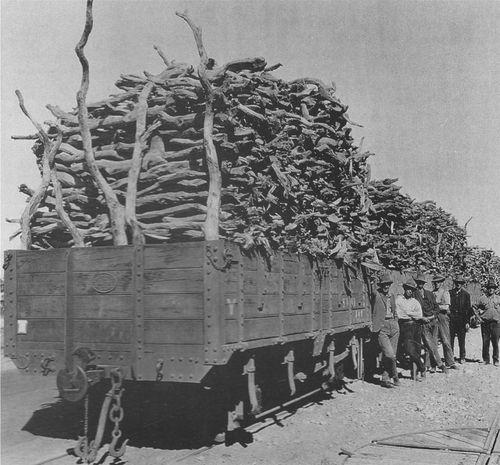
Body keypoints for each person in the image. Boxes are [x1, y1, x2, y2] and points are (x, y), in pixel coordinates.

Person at [413, 273, 448, 374]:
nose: (420, 284)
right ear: (416, 283)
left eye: (422, 283)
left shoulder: (429, 293)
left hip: (433, 321)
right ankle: (440, 364)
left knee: (433, 344)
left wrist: (432, 316)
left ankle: (432, 365)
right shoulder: (414, 294)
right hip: (423, 323)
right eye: (419, 282)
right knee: (430, 344)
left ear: (424, 284)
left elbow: (436, 308)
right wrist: (422, 318)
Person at [371, 274, 400, 388]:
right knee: (390, 355)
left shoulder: (392, 296)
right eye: (384, 284)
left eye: (388, 284)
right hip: (382, 327)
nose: (386, 286)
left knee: (392, 355)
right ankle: (395, 376)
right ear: (381, 285)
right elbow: (372, 290)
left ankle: (385, 378)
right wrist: (372, 280)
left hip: (393, 325)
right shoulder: (377, 294)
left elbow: (394, 310)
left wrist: (396, 321)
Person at [396, 278, 426, 381]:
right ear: (404, 289)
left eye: (412, 290)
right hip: (405, 327)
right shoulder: (399, 300)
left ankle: (415, 374)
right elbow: (399, 314)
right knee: (409, 349)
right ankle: (422, 366)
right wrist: (411, 314)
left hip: (416, 326)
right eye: (408, 289)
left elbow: (419, 315)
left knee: (417, 350)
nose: (410, 291)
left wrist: (408, 313)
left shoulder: (415, 302)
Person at [432, 275, 457, 369]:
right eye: (435, 282)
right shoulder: (431, 293)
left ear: (441, 283)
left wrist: (436, 306)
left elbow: (446, 307)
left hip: (443, 317)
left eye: (438, 282)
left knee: (446, 340)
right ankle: (433, 363)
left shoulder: (445, 292)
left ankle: (450, 362)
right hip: (434, 317)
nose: (436, 284)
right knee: (433, 341)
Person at [474, 278, 500, 366]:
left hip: (496, 323)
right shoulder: (482, 298)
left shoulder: (498, 298)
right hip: (485, 323)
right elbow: (474, 307)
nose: (491, 289)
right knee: (485, 342)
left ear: (495, 289)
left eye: (492, 287)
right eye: (489, 287)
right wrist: (478, 317)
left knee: (495, 342)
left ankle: (496, 359)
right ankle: (486, 359)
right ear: (487, 288)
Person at [449, 276, 473, 364]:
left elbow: (468, 309)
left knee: (461, 339)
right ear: (455, 283)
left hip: (462, 320)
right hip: (452, 319)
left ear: (462, 284)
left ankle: (462, 357)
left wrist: (467, 322)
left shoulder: (466, 295)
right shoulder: (450, 293)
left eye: (460, 283)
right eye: (457, 282)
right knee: (450, 339)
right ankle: (450, 356)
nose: (458, 284)